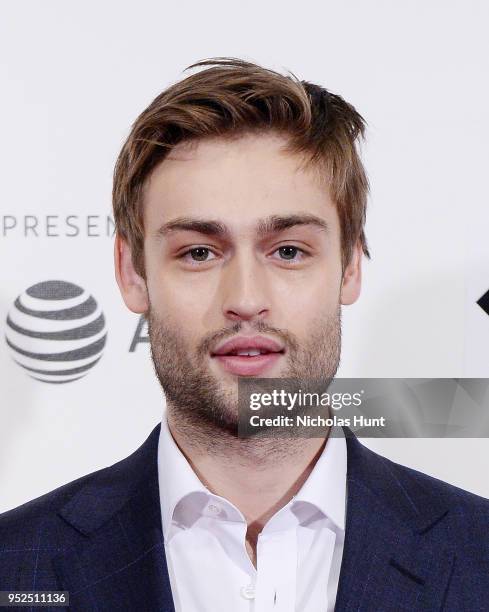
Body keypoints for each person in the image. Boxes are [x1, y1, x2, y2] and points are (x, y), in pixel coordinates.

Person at [0, 57, 487, 611]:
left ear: (350, 266)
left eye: (288, 251)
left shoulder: (479, 556)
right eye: (199, 253)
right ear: (132, 273)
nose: (245, 300)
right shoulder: (15, 563)